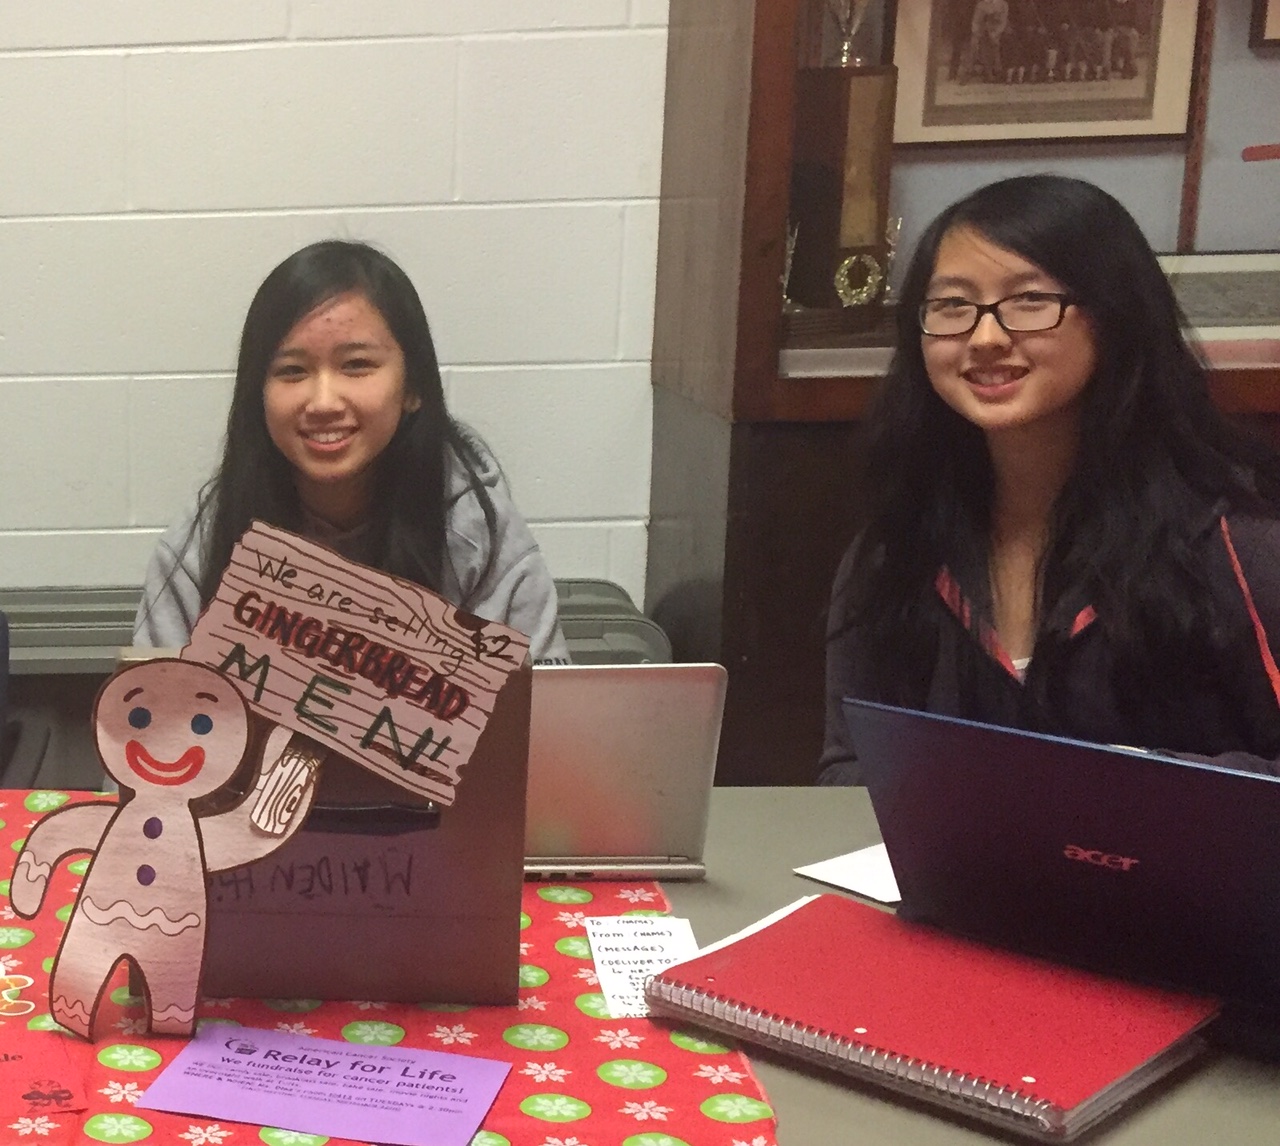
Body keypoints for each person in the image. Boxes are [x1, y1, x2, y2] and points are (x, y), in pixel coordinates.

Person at [819, 175, 1280, 785]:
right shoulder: (896, 549)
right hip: (944, 881)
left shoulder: (1236, 541)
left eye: (1029, 301)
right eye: (953, 305)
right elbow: (849, 769)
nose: (985, 337)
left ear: (1114, 316)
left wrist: (1100, 793)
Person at [135, 239, 569, 664]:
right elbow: (160, 720)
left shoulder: (481, 537)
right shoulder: (203, 546)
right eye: (292, 371)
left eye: (356, 365)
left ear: (413, 385)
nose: (324, 403)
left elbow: (538, 721)